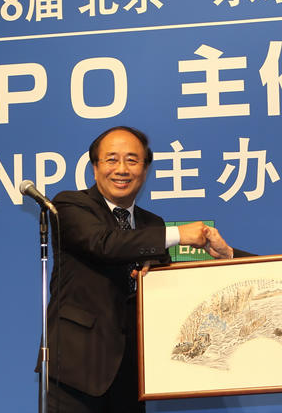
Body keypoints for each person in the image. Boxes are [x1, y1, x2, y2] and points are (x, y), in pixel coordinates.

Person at [37, 126, 228, 413]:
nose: (122, 169)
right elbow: (105, 243)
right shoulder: (69, 204)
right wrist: (178, 234)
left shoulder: (152, 224)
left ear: (145, 168)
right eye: (112, 159)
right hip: (76, 369)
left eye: (132, 160)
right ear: (95, 167)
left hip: (132, 374)